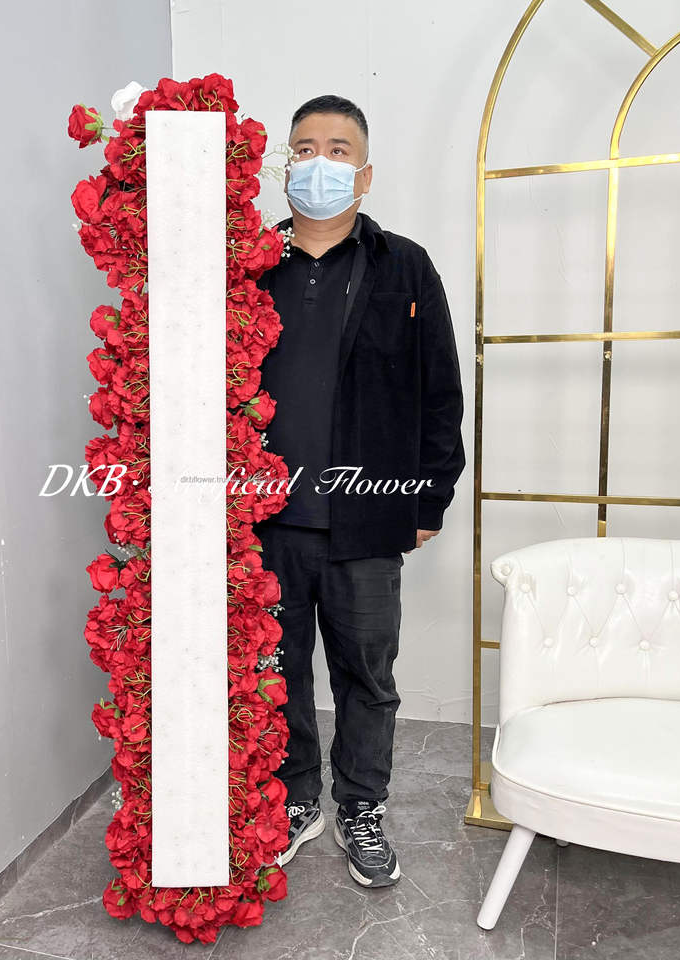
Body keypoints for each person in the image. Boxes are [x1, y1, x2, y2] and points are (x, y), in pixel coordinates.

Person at [252, 94, 466, 887]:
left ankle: (361, 807)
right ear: (285, 169)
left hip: (368, 518)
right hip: (266, 520)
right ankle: (298, 799)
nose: (320, 163)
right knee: (276, 674)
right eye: (305, 148)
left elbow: (440, 392)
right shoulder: (247, 268)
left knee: (368, 677)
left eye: (338, 150)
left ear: (365, 175)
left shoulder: (403, 267)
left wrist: (428, 499)